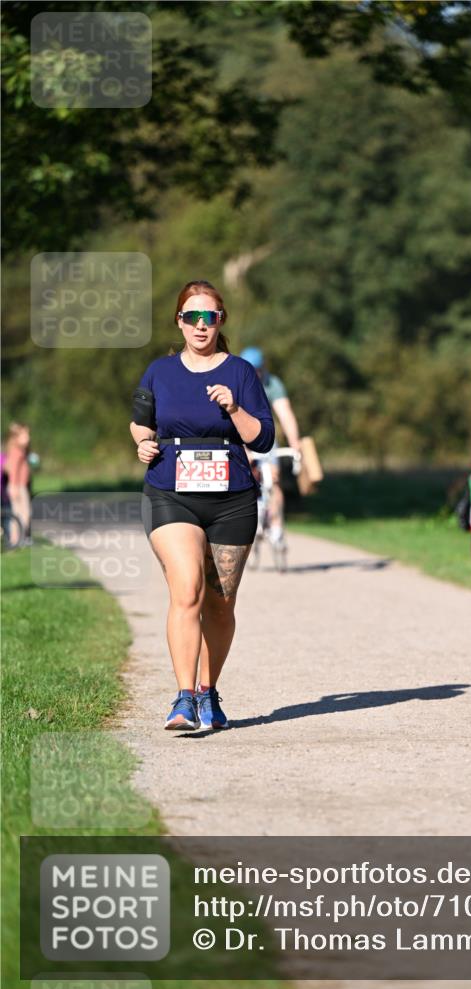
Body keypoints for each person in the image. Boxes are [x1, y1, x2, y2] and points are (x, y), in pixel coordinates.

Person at [130, 280, 274, 731]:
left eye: (208, 316)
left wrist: (233, 408)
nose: (199, 324)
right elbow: (140, 424)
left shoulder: (240, 373)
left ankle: (209, 693)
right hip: (171, 494)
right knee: (187, 589)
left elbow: (263, 439)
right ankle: (183, 698)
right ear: (179, 321)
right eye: (191, 316)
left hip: (232, 501)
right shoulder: (160, 372)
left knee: (219, 604)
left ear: (220, 321)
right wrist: (144, 445)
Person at [239, 347, 301, 546]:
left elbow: (285, 414)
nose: (255, 374)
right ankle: (249, 518)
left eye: (257, 370)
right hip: (240, 436)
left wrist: (295, 444)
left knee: (273, 480)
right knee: (245, 476)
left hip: (266, 437)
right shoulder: (236, 383)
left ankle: (276, 526)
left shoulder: (272, 384)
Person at [4, 422, 32, 546]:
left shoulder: (20, 451)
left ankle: (19, 539)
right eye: (25, 435)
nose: (28, 438)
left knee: (21, 513)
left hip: (20, 486)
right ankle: (17, 539)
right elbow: (13, 469)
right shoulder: (16, 451)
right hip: (18, 486)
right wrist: (13, 485)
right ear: (16, 438)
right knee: (23, 513)